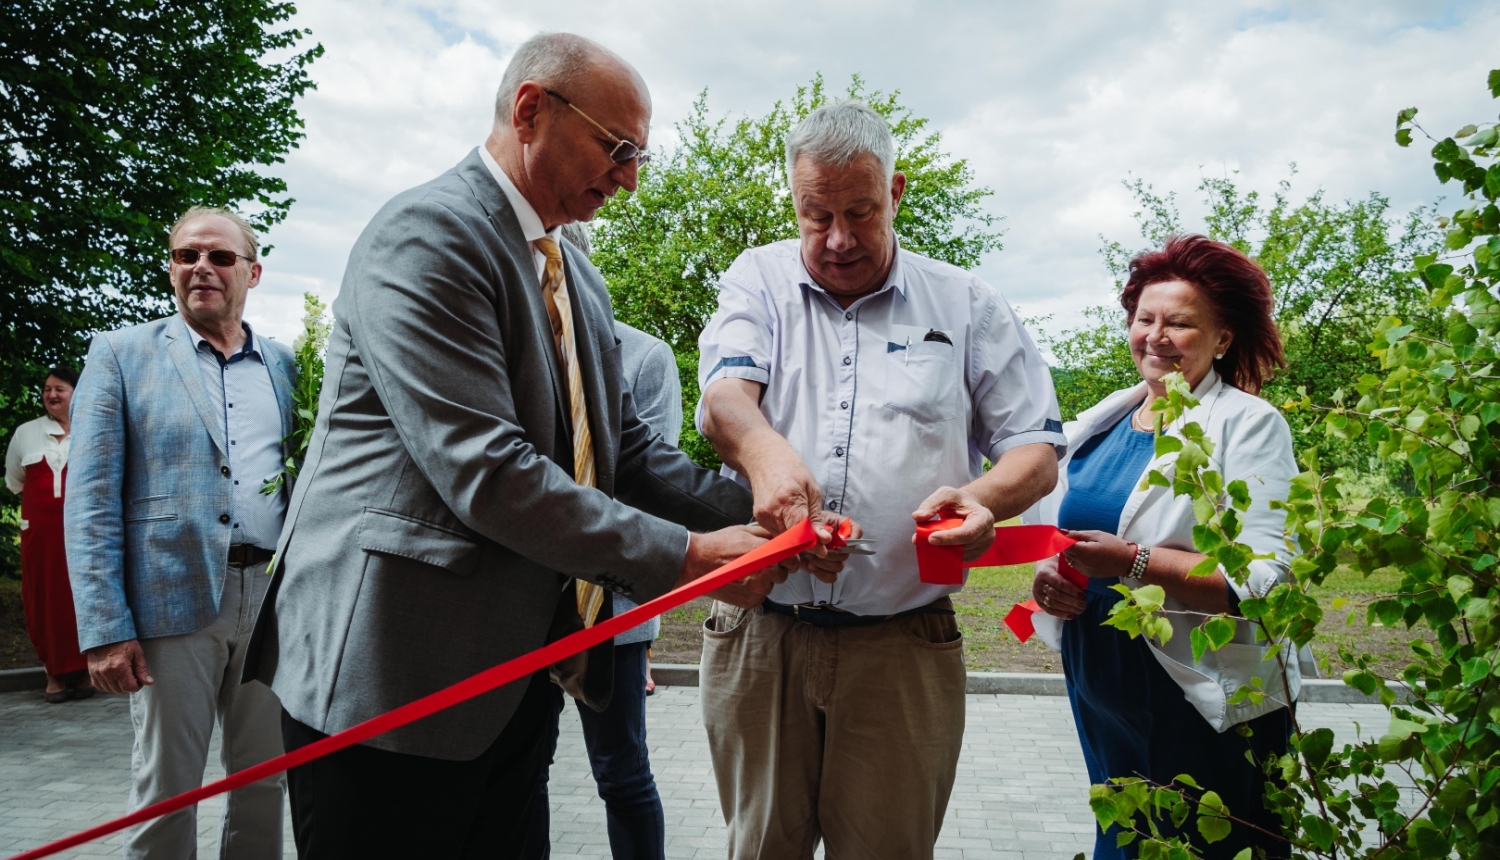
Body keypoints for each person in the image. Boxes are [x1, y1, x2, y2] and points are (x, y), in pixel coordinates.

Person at [244, 33, 821, 859]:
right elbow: (485, 470)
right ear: (530, 110)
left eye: (638, 157)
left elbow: (624, 446)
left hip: (513, 678)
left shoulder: (573, 270)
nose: (628, 176)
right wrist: (693, 556)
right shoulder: (426, 235)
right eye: (617, 148)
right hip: (388, 680)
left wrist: (775, 513)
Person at [696, 100, 1066, 860]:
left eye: (860, 212)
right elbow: (725, 398)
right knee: (759, 848)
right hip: (762, 638)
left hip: (902, 649)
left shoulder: (966, 303)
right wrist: (769, 460)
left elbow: (1034, 448)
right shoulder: (756, 279)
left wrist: (980, 499)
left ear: (895, 192)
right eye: (815, 215)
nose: (837, 240)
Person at [1025, 234, 1303, 860]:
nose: (1157, 335)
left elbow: (1265, 579)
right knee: (1125, 838)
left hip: (1196, 691)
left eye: (1179, 323)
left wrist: (1132, 563)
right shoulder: (1101, 423)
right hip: (1100, 671)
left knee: (1205, 844)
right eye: (1145, 318)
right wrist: (1051, 576)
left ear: (1222, 339)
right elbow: (1068, 528)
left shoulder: (1248, 425)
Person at [65, 206, 296, 859]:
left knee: (263, 780)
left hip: (274, 603)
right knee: (168, 789)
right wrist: (106, 629)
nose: (201, 267)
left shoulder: (284, 365)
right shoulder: (120, 355)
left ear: (252, 271)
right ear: (170, 267)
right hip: (172, 609)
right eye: (185, 255)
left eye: (220, 257)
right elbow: (89, 503)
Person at [521, 224, 676, 860]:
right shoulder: (509, 352)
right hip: (524, 605)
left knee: (622, 774)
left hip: (612, 612)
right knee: (525, 774)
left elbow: (648, 479)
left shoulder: (642, 357)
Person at [4, 366, 92, 703]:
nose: (51, 395)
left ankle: (84, 672)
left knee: (81, 597)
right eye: (47, 389)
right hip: (41, 536)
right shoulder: (26, 433)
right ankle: (53, 673)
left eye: (60, 389)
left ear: (76, 393)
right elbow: (16, 481)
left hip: (82, 532)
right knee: (43, 599)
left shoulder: (91, 429)